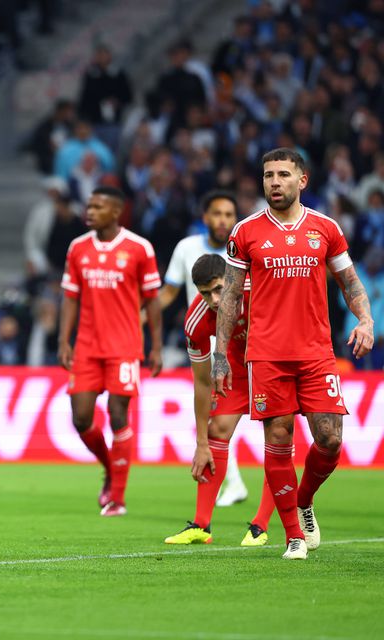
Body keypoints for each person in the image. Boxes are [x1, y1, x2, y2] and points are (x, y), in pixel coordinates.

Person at [214, 148, 375, 560]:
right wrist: (220, 354)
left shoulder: (325, 228)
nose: (275, 182)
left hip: (317, 352)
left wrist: (365, 319)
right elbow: (230, 295)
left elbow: (349, 280)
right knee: (279, 438)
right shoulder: (246, 232)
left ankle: (304, 501)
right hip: (266, 354)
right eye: (268, 175)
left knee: (329, 440)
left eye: (283, 174)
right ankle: (293, 537)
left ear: (302, 180)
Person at [58, 186, 163, 516]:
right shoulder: (77, 248)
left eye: (98, 207)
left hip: (124, 347)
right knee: (81, 418)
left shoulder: (139, 249)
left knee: (118, 414)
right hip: (88, 347)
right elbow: (71, 297)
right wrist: (64, 340)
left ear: (116, 212)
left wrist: (156, 345)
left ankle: (117, 496)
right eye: (88, 206)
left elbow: (153, 300)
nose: (89, 211)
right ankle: (110, 467)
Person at [164, 254, 275, 546]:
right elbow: (201, 383)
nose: (213, 299)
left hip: (275, 364)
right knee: (217, 430)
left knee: (277, 435)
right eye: (204, 293)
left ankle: (260, 525)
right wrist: (200, 445)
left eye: (218, 289)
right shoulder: (196, 321)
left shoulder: (259, 289)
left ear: (232, 280)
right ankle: (201, 525)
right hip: (237, 370)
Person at [158, 190, 249, 507]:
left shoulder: (244, 250)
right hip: (202, 337)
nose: (222, 220)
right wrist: (142, 315)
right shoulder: (186, 248)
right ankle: (232, 483)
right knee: (216, 416)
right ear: (205, 216)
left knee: (233, 418)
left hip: (246, 343)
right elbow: (168, 292)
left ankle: (238, 486)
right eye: (217, 213)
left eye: (228, 214)